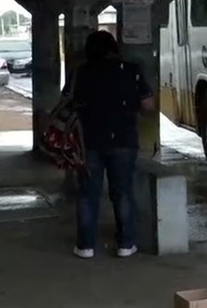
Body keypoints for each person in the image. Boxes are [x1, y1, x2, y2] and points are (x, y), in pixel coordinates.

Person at [65, 30, 155, 259]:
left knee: (87, 193)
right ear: (114, 48)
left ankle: (85, 246)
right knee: (122, 192)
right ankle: (126, 244)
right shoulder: (131, 70)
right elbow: (148, 105)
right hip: (124, 140)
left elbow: (68, 102)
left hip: (89, 142)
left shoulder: (80, 73)